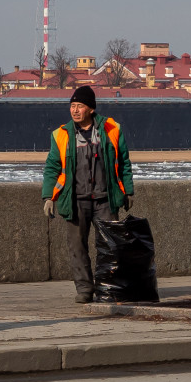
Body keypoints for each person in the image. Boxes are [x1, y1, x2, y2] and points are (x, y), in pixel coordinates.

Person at [42, 85, 133, 304]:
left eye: (79, 106)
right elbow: (52, 167)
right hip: (75, 201)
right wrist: (48, 196)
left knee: (110, 247)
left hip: (105, 199)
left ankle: (107, 289)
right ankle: (84, 289)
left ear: (91, 109)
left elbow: (124, 163)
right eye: (72, 106)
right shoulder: (61, 134)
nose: (74, 110)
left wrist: (128, 191)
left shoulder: (112, 129)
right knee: (77, 248)